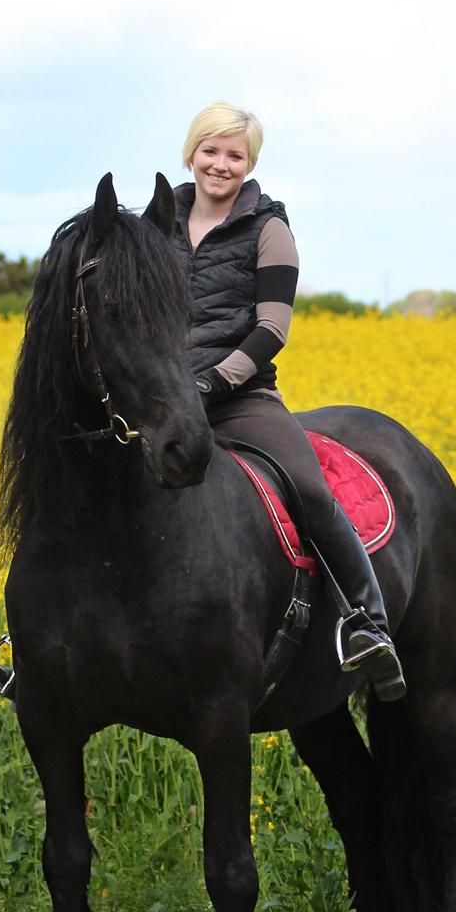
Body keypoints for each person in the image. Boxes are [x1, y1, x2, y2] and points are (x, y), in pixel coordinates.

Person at [172, 101, 406, 699]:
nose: (220, 165)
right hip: (165, 398)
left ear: (249, 164)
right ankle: (38, 644)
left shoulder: (269, 227)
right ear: (191, 152)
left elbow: (272, 327)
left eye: (235, 155)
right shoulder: (156, 221)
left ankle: (366, 621)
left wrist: (214, 382)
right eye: (211, 151)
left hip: (238, 398)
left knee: (309, 488)